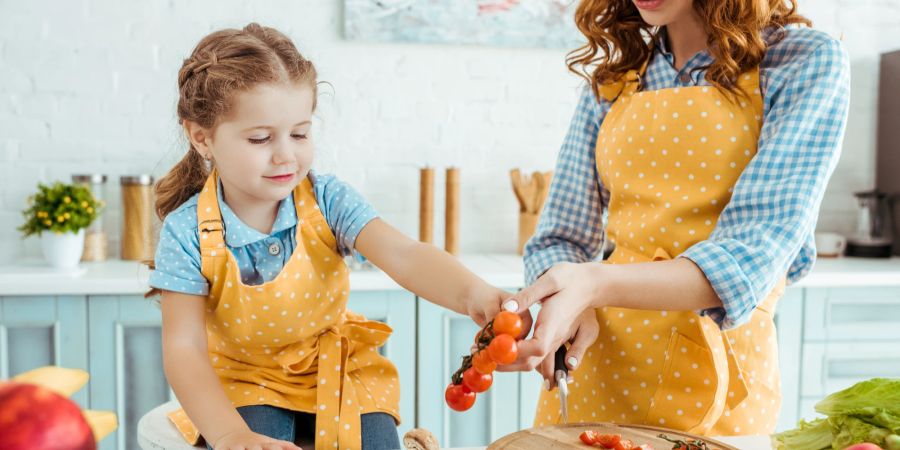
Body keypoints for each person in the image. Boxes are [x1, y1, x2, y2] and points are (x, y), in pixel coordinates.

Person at [147, 23, 510, 450]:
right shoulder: (185, 231)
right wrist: (229, 434)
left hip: (338, 368)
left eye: (300, 133)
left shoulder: (326, 199)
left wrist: (473, 294)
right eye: (261, 138)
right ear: (202, 138)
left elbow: (404, 255)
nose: (286, 154)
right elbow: (183, 347)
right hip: (244, 378)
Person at [501, 0, 850, 436]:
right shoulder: (613, 83)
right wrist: (566, 309)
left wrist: (591, 284)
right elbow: (558, 238)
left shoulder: (800, 61)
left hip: (722, 375)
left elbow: (750, 258)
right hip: (594, 366)